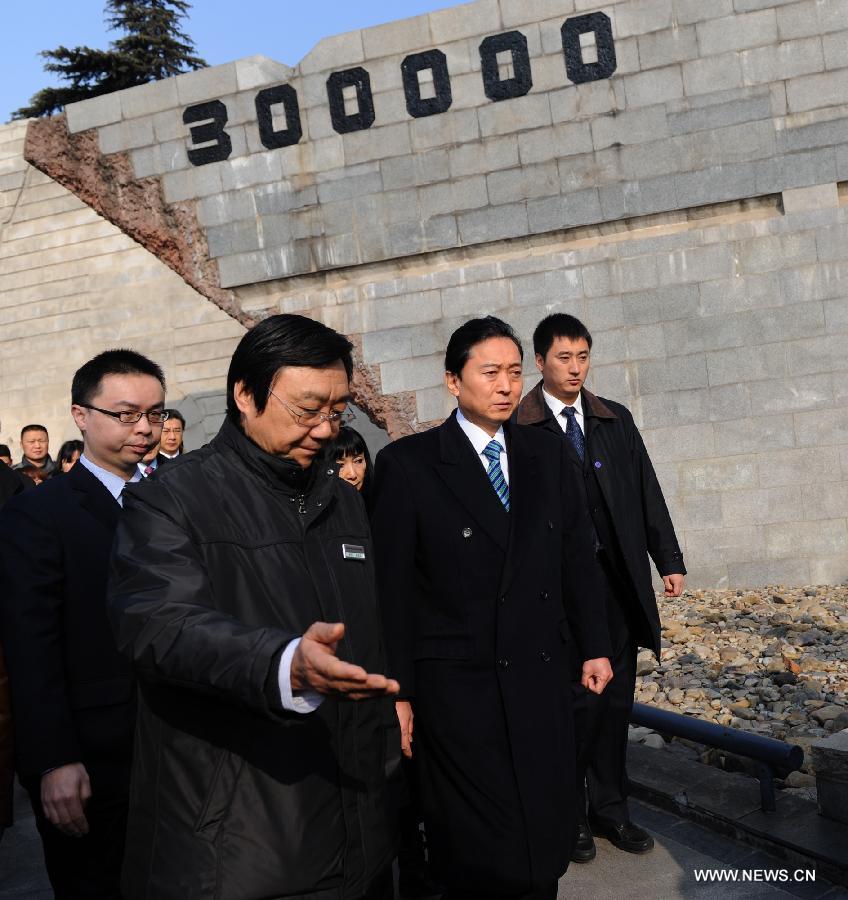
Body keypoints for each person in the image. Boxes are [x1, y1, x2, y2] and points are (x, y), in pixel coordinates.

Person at [107, 314, 401, 900]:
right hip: (239, 843)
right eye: (306, 409)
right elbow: (160, 626)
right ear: (245, 394)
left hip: (360, 825)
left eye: (337, 412)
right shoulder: (169, 500)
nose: (324, 429)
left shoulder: (345, 502)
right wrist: (284, 663)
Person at [371, 316, 612, 900]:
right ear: (453, 381)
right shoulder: (410, 465)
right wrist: (398, 692)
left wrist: (596, 644)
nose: (506, 386)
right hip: (457, 686)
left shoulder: (546, 453)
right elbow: (392, 592)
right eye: (489, 373)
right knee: (477, 845)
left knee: (543, 831)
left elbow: (578, 555)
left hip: (541, 672)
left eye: (514, 373)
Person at [516, 313, 686, 861]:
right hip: (558, 595)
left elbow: (647, 491)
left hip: (616, 586)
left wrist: (668, 559)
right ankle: (569, 817)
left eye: (583, 357)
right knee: (573, 707)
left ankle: (612, 811)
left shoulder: (614, 419)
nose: (574, 368)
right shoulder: (520, 427)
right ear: (539, 361)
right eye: (563, 358)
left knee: (615, 706)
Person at [0, 349, 167, 897]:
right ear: (81, 415)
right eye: (125, 414)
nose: (144, 429)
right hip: (95, 757)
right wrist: (54, 760)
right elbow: (31, 647)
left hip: (182, 749)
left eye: (155, 413)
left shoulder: (177, 501)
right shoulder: (38, 514)